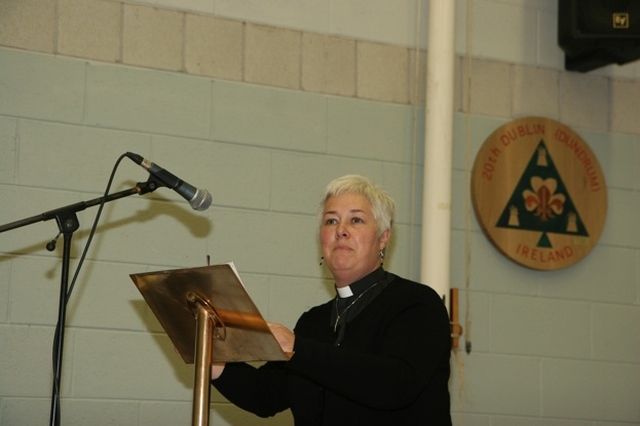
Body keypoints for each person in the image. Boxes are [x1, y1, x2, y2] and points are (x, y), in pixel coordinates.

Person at [211, 174, 452, 425]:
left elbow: (395, 385)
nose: (341, 231)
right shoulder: (313, 322)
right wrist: (213, 360)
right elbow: (267, 394)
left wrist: (297, 348)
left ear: (383, 237)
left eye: (356, 220)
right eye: (331, 221)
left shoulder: (417, 304)